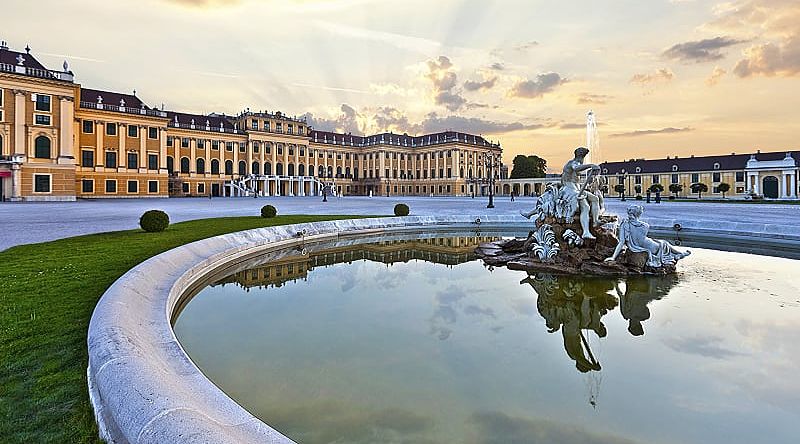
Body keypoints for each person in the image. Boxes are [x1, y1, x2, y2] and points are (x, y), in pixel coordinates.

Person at [605, 205, 690, 267]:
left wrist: (613, 257)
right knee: (664, 243)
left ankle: (679, 254)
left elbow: (621, 242)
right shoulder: (645, 225)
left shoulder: (624, 224)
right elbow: (641, 237)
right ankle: (679, 254)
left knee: (663, 243)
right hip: (652, 247)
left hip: (643, 247)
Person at [561, 147, 602, 239]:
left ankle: (595, 221)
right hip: (568, 189)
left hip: (576, 189)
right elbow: (576, 168)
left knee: (595, 198)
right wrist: (590, 165)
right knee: (585, 206)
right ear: (581, 157)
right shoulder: (573, 163)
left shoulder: (577, 163)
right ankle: (586, 232)